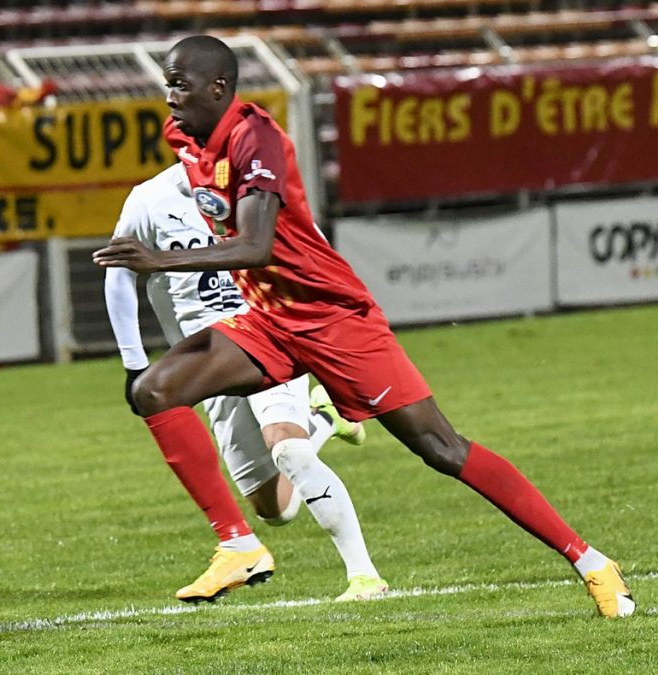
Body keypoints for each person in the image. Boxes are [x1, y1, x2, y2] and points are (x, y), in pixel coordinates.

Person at [93, 35, 633, 618]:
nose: (168, 96)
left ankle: (591, 562)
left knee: (442, 449)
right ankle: (239, 542)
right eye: (167, 83)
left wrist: (159, 260)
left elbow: (253, 245)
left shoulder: (258, 138)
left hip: (332, 319)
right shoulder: (186, 141)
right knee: (153, 390)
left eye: (179, 83)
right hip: (269, 320)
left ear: (218, 87)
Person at [104, 162, 388, 603]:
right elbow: (117, 272)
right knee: (274, 507)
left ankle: (364, 577)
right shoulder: (150, 199)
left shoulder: (261, 187)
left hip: (267, 333)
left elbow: (316, 254)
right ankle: (325, 421)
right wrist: (133, 362)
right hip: (206, 361)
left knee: (287, 448)